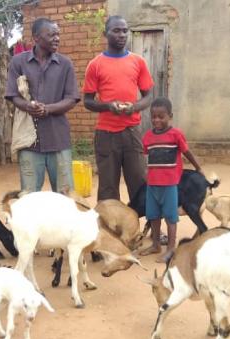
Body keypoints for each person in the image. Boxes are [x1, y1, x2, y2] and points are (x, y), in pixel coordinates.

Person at [83, 15, 154, 202]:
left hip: (132, 132)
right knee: (108, 187)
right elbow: (87, 101)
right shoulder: (95, 65)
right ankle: (109, 229)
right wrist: (108, 106)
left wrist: (134, 107)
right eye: (116, 30)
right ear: (105, 33)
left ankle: (144, 228)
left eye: (125, 30)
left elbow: (148, 97)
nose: (122, 34)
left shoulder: (138, 62)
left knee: (139, 182)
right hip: (106, 135)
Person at [5, 17, 80, 192]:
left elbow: (71, 98)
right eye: (52, 35)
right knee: (29, 196)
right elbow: (13, 95)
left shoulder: (65, 64)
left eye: (58, 35)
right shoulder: (18, 62)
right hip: (29, 141)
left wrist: (48, 109)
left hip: (58, 139)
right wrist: (28, 106)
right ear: (36, 38)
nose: (57, 38)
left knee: (65, 195)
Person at [140, 97, 203, 262]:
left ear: (170, 116)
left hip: (169, 185)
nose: (156, 120)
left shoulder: (176, 134)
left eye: (161, 116)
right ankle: (155, 245)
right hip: (152, 184)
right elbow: (148, 157)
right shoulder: (147, 136)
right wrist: (146, 174)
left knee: (170, 216)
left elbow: (187, 152)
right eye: (153, 116)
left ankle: (171, 249)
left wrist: (198, 168)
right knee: (152, 215)